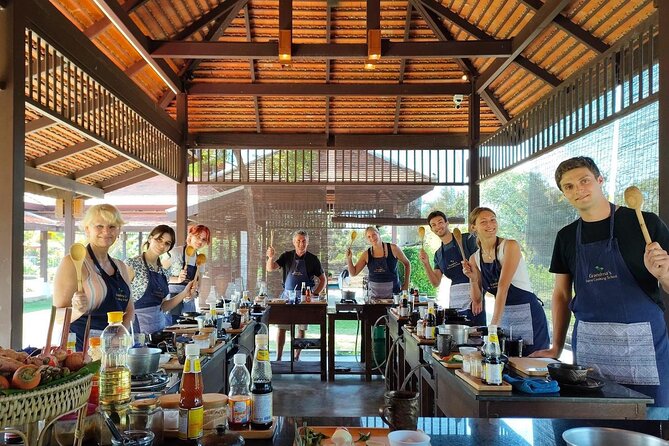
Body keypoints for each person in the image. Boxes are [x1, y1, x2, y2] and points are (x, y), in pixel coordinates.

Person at [531, 156, 669, 410]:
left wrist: (664, 275)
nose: (578, 189)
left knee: (649, 424)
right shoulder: (566, 236)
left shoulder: (645, 223)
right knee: (591, 424)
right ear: (564, 194)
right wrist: (556, 347)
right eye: (569, 187)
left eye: (584, 181)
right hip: (592, 351)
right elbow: (561, 294)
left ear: (600, 180)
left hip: (642, 349)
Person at [462, 207, 549, 355]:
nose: (490, 225)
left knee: (533, 367)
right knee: (507, 367)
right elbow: (477, 299)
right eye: (484, 222)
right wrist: (473, 279)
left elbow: (503, 287)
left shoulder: (510, 246)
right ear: (473, 227)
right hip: (505, 317)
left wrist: (493, 326)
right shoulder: (474, 258)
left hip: (528, 315)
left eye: (493, 220)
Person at [53, 204, 134, 351]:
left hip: (115, 348)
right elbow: (57, 317)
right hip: (80, 350)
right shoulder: (73, 262)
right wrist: (78, 309)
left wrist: (121, 334)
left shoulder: (120, 267)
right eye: (99, 226)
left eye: (112, 226)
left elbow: (129, 310)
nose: (106, 231)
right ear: (87, 229)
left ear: (118, 230)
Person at [125, 225, 196, 335]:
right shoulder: (132, 264)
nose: (162, 245)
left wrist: (185, 292)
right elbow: (120, 302)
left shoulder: (163, 272)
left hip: (159, 330)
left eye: (167, 243)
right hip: (138, 332)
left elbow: (163, 306)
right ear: (150, 238)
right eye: (159, 240)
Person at [266, 230, 326, 361]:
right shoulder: (286, 256)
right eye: (298, 241)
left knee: (301, 328)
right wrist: (270, 257)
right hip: (287, 297)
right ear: (294, 242)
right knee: (281, 327)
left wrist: (315, 294)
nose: (301, 244)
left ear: (307, 242)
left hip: (305, 299)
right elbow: (270, 268)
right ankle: (279, 358)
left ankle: (296, 358)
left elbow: (323, 279)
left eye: (304, 241)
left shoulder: (313, 259)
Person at [419, 210, 485, 326]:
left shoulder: (466, 239)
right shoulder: (438, 254)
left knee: (475, 339)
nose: (438, 227)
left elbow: (481, 268)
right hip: (455, 303)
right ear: (432, 230)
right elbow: (435, 282)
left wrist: (478, 299)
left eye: (440, 222)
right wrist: (426, 264)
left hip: (473, 300)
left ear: (447, 223)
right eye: (433, 225)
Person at [346, 226, 411, 298]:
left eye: (374, 235)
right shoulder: (366, 254)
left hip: (394, 297)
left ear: (378, 234)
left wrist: (406, 284)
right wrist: (349, 259)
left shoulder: (393, 248)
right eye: (369, 237)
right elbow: (353, 273)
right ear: (367, 239)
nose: (372, 238)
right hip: (374, 299)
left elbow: (407, 264)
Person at [164, 224, 211, 324]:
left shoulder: (200, 259)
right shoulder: (175, 253)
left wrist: (194, 294)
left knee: (188, 331)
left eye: (204, 239)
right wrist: (177, 279)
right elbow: (159, 275)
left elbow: (199, 284)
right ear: (190, 235)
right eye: (198, 237)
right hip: (173, 299)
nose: (200, 242)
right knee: (172, 329)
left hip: (188, 301)